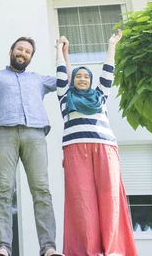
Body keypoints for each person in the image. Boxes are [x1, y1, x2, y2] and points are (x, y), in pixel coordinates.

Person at [0, 37, 64, 256]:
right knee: (3, 190)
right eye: (19, 49)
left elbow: (64, 82)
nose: (22, 53)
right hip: (3, 133)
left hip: (35, 133)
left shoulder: (38, 79)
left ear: (30, 57)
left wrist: (61, 52)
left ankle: (48, 247)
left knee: (42, 190)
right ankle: (3, 247)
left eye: (27, 51)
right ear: (11, 51)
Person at [55, 30, 138, 256]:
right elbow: (62, 72)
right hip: (74, 149)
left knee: (109, 195)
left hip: (105, 148)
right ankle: (88, 251)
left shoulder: (101, 96)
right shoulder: (65, 95)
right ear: (73, 80)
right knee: (82, 199)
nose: (82, 79)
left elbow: (108, 71)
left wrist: (112, 45)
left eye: (86, 77)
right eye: (78, 76)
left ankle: (112, 249)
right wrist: (60, 52)